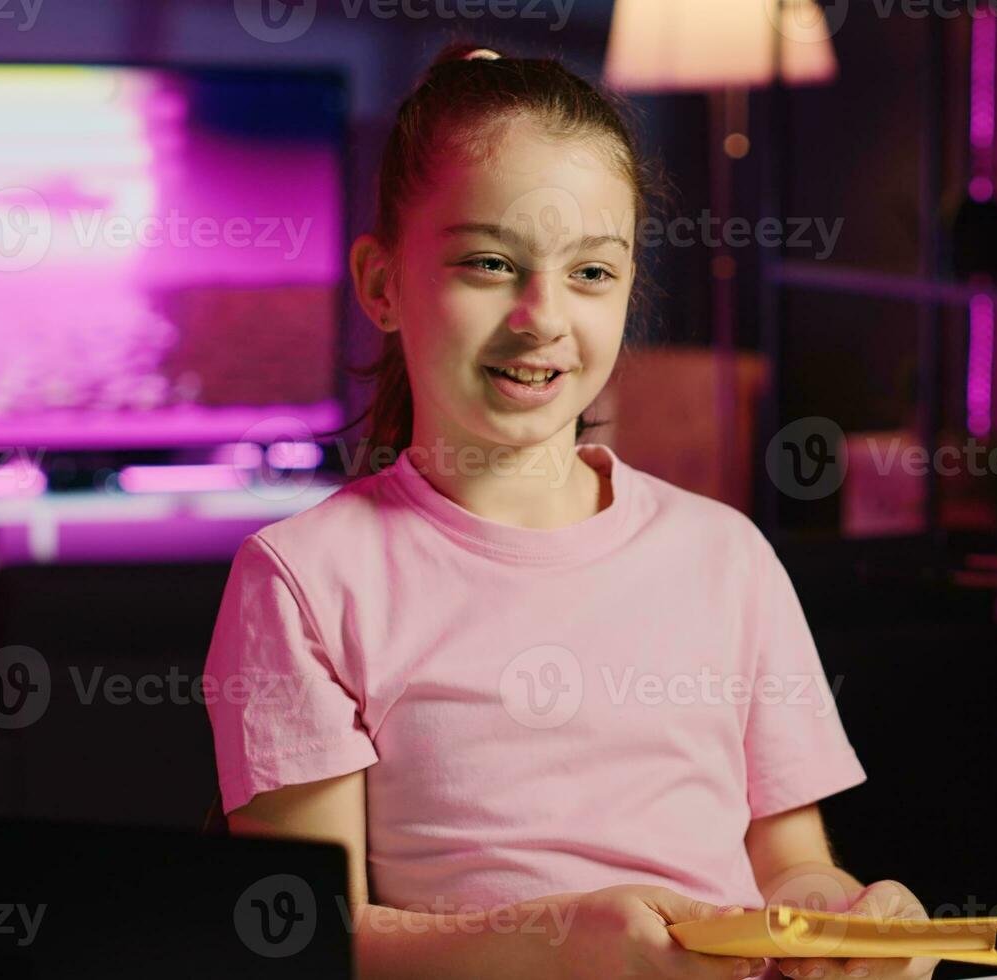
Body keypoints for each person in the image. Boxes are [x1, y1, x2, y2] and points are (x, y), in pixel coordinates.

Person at [203, 40, 938, 980]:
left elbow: (792, 867)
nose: (542, 316)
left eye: (591, 272)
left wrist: (849, 924)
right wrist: (555, 947)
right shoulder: (306, 580)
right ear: (382, 284)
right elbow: (298, 936)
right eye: (488, 263)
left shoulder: (726, 556)